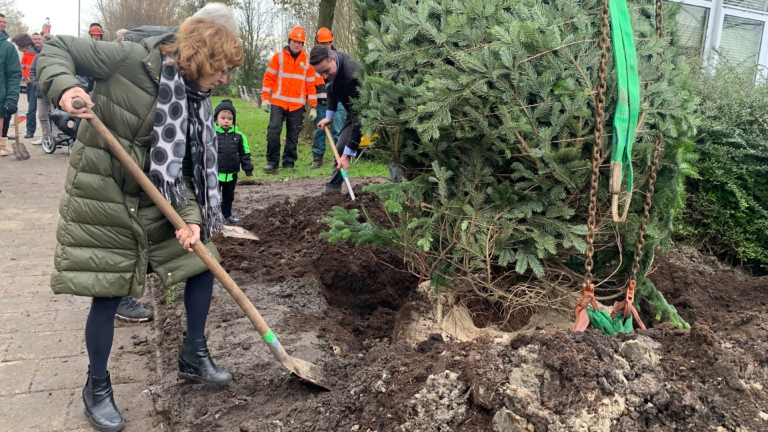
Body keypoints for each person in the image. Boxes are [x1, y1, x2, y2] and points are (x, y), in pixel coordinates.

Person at [37, 14, 243, 432]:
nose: (223, 80)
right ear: (199, 58)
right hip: (105, 193)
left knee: (202, 261)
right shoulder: (128, 60)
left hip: (157, 196)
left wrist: (190, 221)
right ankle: (97, 386)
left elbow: (181, 169)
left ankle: (193, 354)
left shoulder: (193, 100)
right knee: (109, 288)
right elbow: (56, 47)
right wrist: (65, 86)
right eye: (220, 69)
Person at [260, 26, 317, 173]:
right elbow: (268, 78)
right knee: (273, 131)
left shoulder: (308, 62)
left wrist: (314, 107)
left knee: (293, 135)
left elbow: (311, 85)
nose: (296, 44)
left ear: (303, 44)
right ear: (289, 41)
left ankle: (289, 162)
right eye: (294, 41)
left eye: (299, 42)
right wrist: (265, 98)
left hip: (297, 106)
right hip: (278, 103)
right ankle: (272, 162)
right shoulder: (278, 57)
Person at [309, 45, 363, 191]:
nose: (324, 77)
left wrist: (348, 154)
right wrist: (329, 116)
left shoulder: (352, 76)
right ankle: (334, 188)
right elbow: (330, 88)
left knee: (391, 148)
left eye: (326, 71)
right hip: (354, 112)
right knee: (339, 148)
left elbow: (360, 118)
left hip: (372, 111)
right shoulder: (330, 68)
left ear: (333, 58)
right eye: (321, 74)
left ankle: (396, 185)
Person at [309, 27, 345, 169]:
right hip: (320, 102)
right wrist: (312, 105)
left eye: (328, 43)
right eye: (322, 44)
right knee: (319, 131)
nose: (326, 47)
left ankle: (340, 158)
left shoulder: (338, 58)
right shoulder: (313, 61)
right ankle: (317, 158)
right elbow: (309, 83)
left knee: (338, 131)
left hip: (338, 102)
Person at [214, 99, 253, 223]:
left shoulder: (239, 136)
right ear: (216, 119)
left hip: (231, 174)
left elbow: (245, 154)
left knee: (228, 196)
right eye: (223, 118)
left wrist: (248, 170)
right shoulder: (211, 134)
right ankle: (213, 217)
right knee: (213, 197)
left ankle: (227, 215)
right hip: (214, 174)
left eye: (230, 119)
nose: (226, 121)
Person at [29, 34, 56, 145]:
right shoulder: (38, 57)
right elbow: (32, 72)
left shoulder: (57, 57)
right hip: (41, 93)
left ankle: (56, 137)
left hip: (54, 92)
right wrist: (36, 84)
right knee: (42, 116)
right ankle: (46, 137)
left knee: (55, 115)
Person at [0, 14, 20, 157]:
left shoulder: (8, 48)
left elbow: (13, 74)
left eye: (4, 22)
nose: (2, 24)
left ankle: (2, 144)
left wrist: (12, 97)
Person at [19, 33, 42, 139]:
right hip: (31, 84)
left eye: (39, 39)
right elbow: (22, 68)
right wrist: (25, 77)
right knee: (31, 108)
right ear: (32, 41)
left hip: (44, 84)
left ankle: (49, 132)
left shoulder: (47, 52)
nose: (37, 41)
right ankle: (30, 131)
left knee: (47, 110)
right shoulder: (27, 54)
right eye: (35, 39)